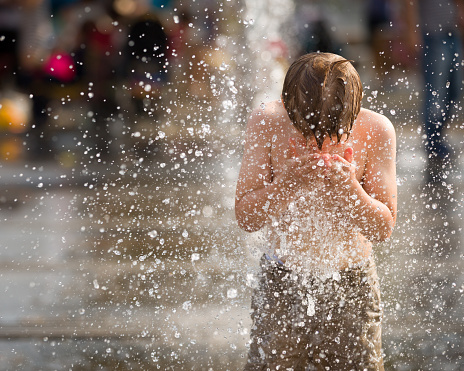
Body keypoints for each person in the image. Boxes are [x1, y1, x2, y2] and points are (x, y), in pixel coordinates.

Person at [235, 52, 397, 370]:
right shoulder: (267, 121)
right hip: (281, 279)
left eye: (333, 132)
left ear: (354, 111)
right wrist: (286, 186)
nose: (319, 144)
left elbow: (382, 229)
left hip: (352, 283)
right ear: (287, 105)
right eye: (306, 130)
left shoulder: (376, 129)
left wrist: (351, 191)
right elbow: (246, 217)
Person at [403, 0, 464, 184]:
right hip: (432, 35)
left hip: (452, 32)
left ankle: (439, 136)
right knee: (435, 93)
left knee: (455, 90)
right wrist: (412, 31)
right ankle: (433, 142)